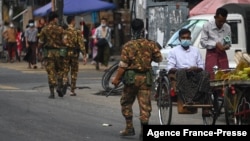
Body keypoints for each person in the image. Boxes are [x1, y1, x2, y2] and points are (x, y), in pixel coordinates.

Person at [111, 19, 162, 140]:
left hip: (131, 80)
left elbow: (123, 65)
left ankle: (129, 128)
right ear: (143, 30)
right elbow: (159, 58)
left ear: (132, 30)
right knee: (145, 105)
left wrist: (116, 79)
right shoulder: (151, 44)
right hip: (145, 79)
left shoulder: (128, 46)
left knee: (126, 102)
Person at [167, 28, 211, 116]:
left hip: (195, 73)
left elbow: (201, 66)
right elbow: (170, 67)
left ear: (190, 38)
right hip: (182, 74)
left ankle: (203, 101)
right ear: (180, 39)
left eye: (188, 38)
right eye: (184, 38)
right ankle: (188, 99)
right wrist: (182, 69)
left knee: (206, 74)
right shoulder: (173, 51)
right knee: (181, 72)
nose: (186, 40)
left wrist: (196, 68)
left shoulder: (195, 50)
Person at [38, 12, 65, 99]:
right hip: (59, 53)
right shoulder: (60, 29)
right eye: (57, 18)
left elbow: (40, 42)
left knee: (50, 72)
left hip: (48, 53)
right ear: (55, 19)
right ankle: (59, 87)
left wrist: (38, 52)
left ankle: (52, 92)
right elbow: (64, 41)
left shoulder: (44, 29)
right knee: (60, 71)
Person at [200, 7, 231, 80]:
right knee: (211, 76)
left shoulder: (227, 27)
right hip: (211, 53)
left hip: (222, 54)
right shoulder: (207, 25)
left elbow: (228, 42)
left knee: (224, 75)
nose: (221, 23)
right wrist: (215, 44)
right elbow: (202, 42)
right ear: (215, 17)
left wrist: (226, 46)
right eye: (220, 21)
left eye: (223, 21)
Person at [63, 16, 87, 96]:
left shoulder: (64, 31)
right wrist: (84, 54)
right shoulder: (77, 31)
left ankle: (65, 82)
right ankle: (72, 90)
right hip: (74, 53)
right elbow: (81, 44)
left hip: (66, 53)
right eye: (74, 20)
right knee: (74, 72)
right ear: (72, 21)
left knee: (65, 70)